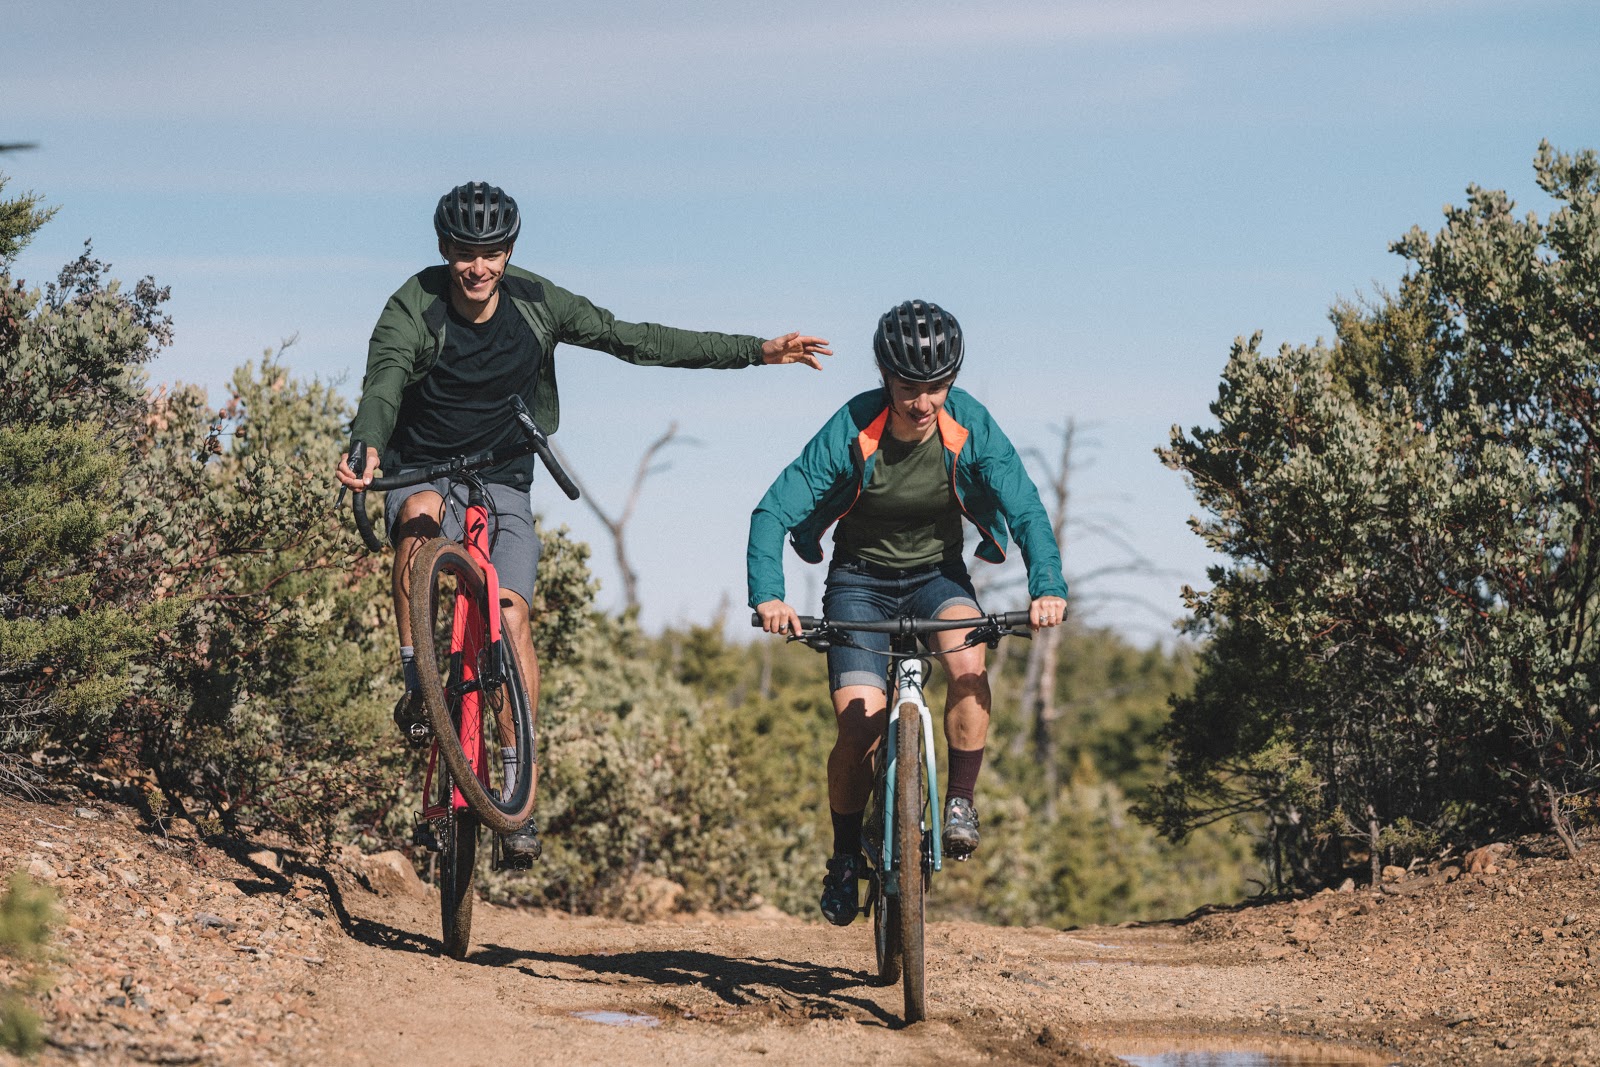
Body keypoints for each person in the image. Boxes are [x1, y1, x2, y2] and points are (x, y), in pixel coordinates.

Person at [336, 181, 830, 860]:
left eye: (491, 252)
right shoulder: (413, 305)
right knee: (419, 527)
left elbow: (636, 339)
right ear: (445, 249)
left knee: (510, 618)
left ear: (509, 251)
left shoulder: (539, 303)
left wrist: (756, 350)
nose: (478, 267)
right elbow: (385, 379)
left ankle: (518, 790)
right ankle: (417, 679)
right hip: (421, 465)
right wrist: (366, 441)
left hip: (502, 475)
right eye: (465, 253)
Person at [748, 299, 1066, 926]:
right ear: (885, 378)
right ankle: (845, 856)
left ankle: (960, 801)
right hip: (859, 584)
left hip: (937, 578)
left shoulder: (970, 425)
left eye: (936, 388)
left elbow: (1026, 509)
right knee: (859, 728)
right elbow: (772, 511)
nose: (923, 403)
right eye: (908, 389)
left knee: (969, 666)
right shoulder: (852, 427)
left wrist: (1046, 587)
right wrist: (769, 595)